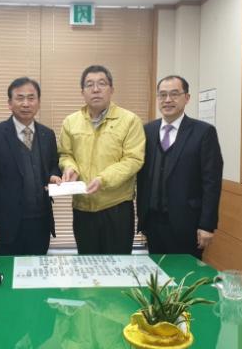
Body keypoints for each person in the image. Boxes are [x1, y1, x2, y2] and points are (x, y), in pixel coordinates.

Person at [58, 65, 145, 254]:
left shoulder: (130, 120)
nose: (95, 89)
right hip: (82, 208)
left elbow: (133, 159)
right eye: (89, 85)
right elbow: (65, 154)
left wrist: (103, 179)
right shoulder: (71, 122)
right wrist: (70, 168)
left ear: (111, 89)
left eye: (102, 84)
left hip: (117, 207)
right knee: (87, 263)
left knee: (118, 264)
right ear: (82, 92)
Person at [137, 75, 223, 259]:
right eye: (162, 95)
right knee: (156, 272)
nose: (167, 100)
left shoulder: (203, 132)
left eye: (174, 94)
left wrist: (207, 225)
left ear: (187, 98)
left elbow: (211, 182)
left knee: (186, 274)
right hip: (152, 223)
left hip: (187, 225)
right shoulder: (147, 131)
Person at [0, 77, 61, 255]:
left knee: (37, 270)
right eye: (20, 98)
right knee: (4, 272)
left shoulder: (47, 134)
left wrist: (54, 175)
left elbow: (53, 165)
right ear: (10, 103)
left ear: (38, 102)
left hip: (40, 223)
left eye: (31, 98)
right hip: (4, 226)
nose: (25, 104)